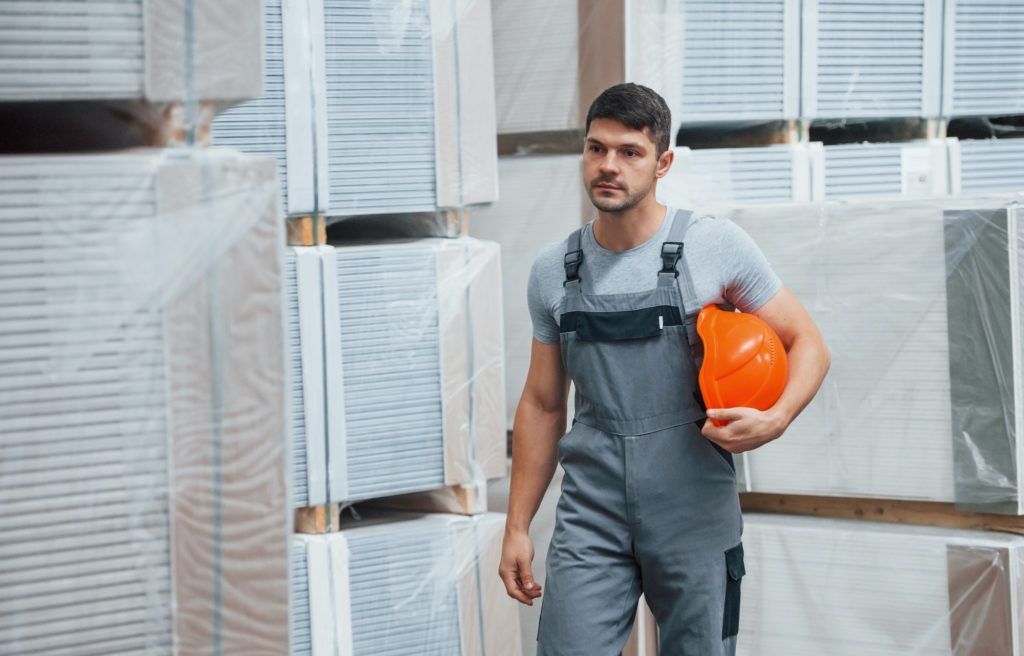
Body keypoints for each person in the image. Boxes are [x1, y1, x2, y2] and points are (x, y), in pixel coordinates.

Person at [497, 83, 831, 656]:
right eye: (596, 148)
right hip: (592, 510)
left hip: (693, 506)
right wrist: (517, 525)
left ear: (663, 163)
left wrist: (775, 420)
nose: (608, 166)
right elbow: (543, 404)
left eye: (630, 152)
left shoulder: (713, 246)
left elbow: (809, 343)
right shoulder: (554, 271)